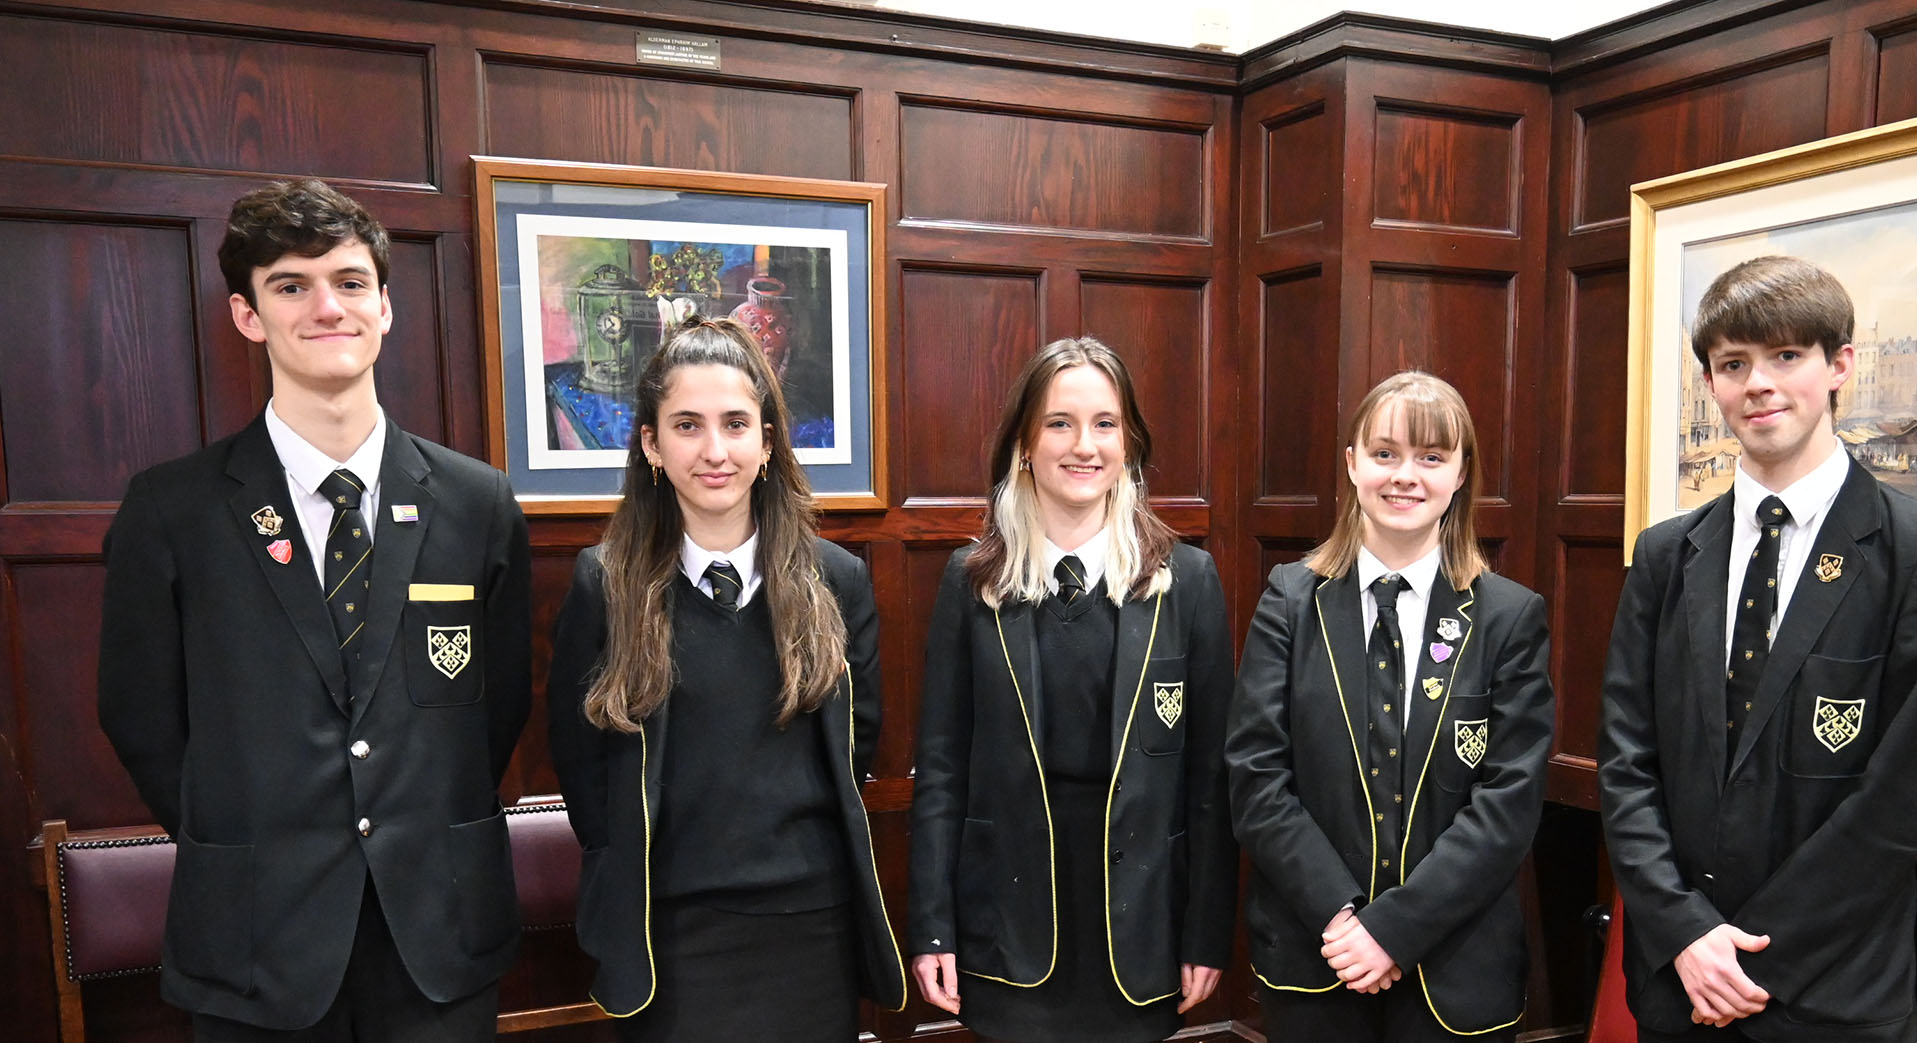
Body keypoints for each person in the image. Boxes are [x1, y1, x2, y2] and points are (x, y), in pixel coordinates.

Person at [97, 178, 533, 1040]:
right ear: (248, 316)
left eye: (349, 281)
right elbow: (142, 718)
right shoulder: (171, 510)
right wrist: (245, 828)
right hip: (256, 940)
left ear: (384, 305)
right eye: (291, 285)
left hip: (436, 936)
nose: (326, 306)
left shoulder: (475, 501)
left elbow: (498, 708)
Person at [1599, 255, 1917, 1042]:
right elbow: (1627, 764)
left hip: (1830, 992)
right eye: (1734, 363)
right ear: (1712, 383)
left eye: (1787, 356)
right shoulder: (1668, 555)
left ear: (1839, 364)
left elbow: (1902, 798)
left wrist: (1747, 959)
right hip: (1681, 983)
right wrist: (1687, 935)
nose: (1759, 383)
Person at [544, 314, 905, 1040]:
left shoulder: (838, 581)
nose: (715, 450)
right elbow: (582, 768)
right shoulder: (605, 585)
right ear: (650, 443)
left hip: (810, 927)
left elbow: (855, 746)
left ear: (767, 442)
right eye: (687, 425)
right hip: (668, 933)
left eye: (737, 423)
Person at [906, 337, 1236, 1042]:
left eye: (1105, 424)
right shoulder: (971, 582)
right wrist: (933, 927)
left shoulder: (1190, 581)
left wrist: (1206, 932)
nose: (1083, 444)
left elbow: (1210, 781)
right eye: (1059, 422)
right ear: (1025, 442)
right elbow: (941, 771)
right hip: (1007, 921)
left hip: (1140, 922)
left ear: (1130, 443)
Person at [1227, 370, 1553, 1043]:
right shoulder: (1292, 600)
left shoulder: (1509, 617)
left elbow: (1508, 803)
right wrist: (1345, 920)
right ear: (1352, 464)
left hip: (1457, 972)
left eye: (1432, 457)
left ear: (1462, 473)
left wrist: (1395, 929)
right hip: (1319, 956)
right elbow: (1256, 778)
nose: (1406, 475)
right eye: (1385, 453)